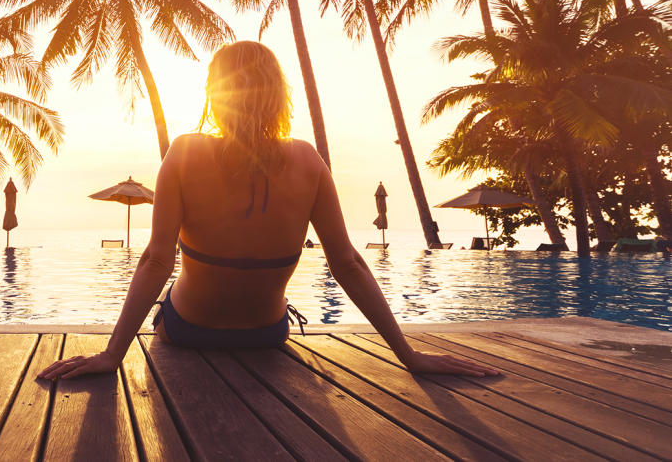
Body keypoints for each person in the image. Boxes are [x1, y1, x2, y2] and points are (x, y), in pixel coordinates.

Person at [38, 41, 498, 380]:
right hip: (267, 333)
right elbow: (349, 263)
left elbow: (157, 260)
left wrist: (112, 355)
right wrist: (409, 356)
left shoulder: (184, 152)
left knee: (177, 285)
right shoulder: (308, 159)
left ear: (215, 95)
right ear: (279, 95)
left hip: (190, 329)